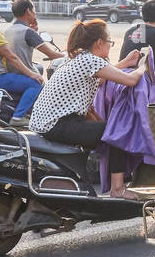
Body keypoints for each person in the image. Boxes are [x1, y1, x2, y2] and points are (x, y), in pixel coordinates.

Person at [29, 20, 143, 198]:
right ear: (99, 42)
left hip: (47, 122)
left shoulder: (77, 59)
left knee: (105, 129)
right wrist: (145, 66)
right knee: (117, 130)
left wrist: (125, 63)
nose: (110, 45)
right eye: (109, 42)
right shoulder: (91, 60)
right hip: (59, 124)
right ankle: (118, 189)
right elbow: (130, 80)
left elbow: (104, 76)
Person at [4, 0, 63, 72]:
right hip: (26, 74)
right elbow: (52, 55)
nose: (35, 13)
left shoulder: (7, 31)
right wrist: (69, 56)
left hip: (10, 73)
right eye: (34, 10)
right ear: (28, 11)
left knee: (39, 68)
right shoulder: (28, 32)